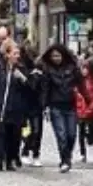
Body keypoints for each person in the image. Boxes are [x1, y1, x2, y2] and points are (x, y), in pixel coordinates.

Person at [0, 39, 33, 172]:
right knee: (2, 133)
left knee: (15, 134)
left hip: (16, 108)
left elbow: (30, 87)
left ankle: (11, 159)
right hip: (1, 107)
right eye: (15, 53)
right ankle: (1, 158)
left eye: (18, 53)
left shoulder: (21, 69)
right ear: (7, 54)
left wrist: (22, 78)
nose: (18, 56)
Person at [36, 44, 82, 172]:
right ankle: (64, 160)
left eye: (58, 55)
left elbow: (81, 84)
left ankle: (68, 156)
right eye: (53, 56)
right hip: (56, 106)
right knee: (61, 134)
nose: (56, 58)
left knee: (72, 134)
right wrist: (44, 106)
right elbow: (45, 89)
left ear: (63, 55)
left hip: (70, 105)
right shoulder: (48, 69)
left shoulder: (72, 68)